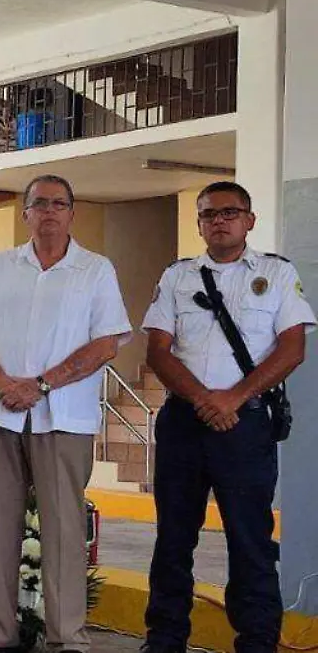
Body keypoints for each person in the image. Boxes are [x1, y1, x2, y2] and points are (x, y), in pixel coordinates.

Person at [0, 175, 131, 653]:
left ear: (72, 212)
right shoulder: (0, 265)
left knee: (63, 529)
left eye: (59, 203)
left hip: (63, 417)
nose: (49, 211)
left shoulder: (95, 270)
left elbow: (107, 342)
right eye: (39, 204)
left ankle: (66, 639)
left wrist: (42, 384)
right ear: (25, 213)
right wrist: (2, 384)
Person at [141, 181, 314, 653]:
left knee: (250, 539)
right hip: (183, 423)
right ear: (199, 224)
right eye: (209, 214)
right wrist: (203, 399)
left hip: (246, 424)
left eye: (230, 212)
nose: (220, 221)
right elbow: (157, 349)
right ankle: (165, 638)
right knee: (174, 538)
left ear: (249, 221)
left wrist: (233, 398)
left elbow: (292, 347)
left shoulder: (277, 274)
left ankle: (257, 641)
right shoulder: (178, 277)